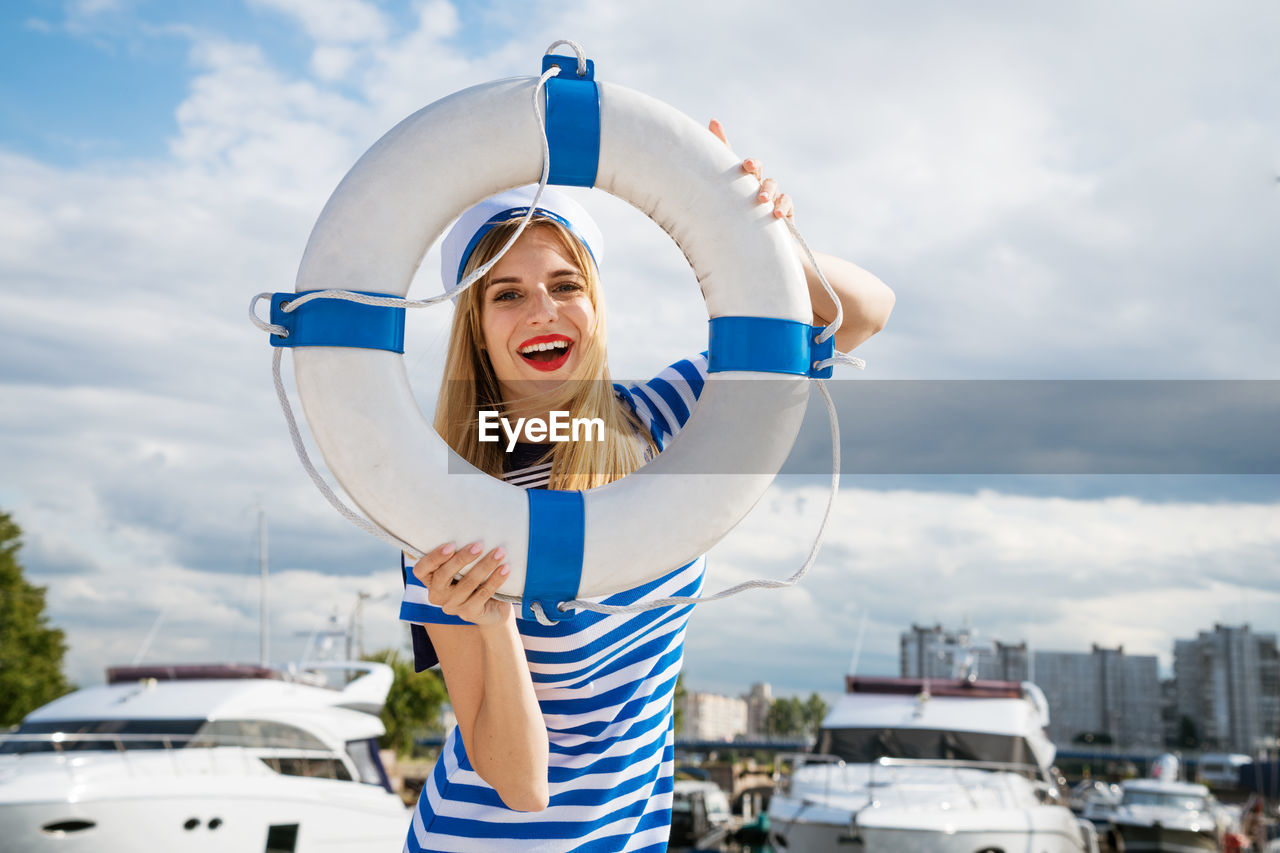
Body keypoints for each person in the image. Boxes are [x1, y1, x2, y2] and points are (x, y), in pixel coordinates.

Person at [398, 120, 895, 852]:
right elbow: (522, 783)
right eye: (507, 294)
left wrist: (761, 233)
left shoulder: (664, 416)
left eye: (565, 284)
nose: (542, 310)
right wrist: (495, 619)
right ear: (476, 325)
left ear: (595, 304)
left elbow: (864, 314)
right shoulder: (446, 505)